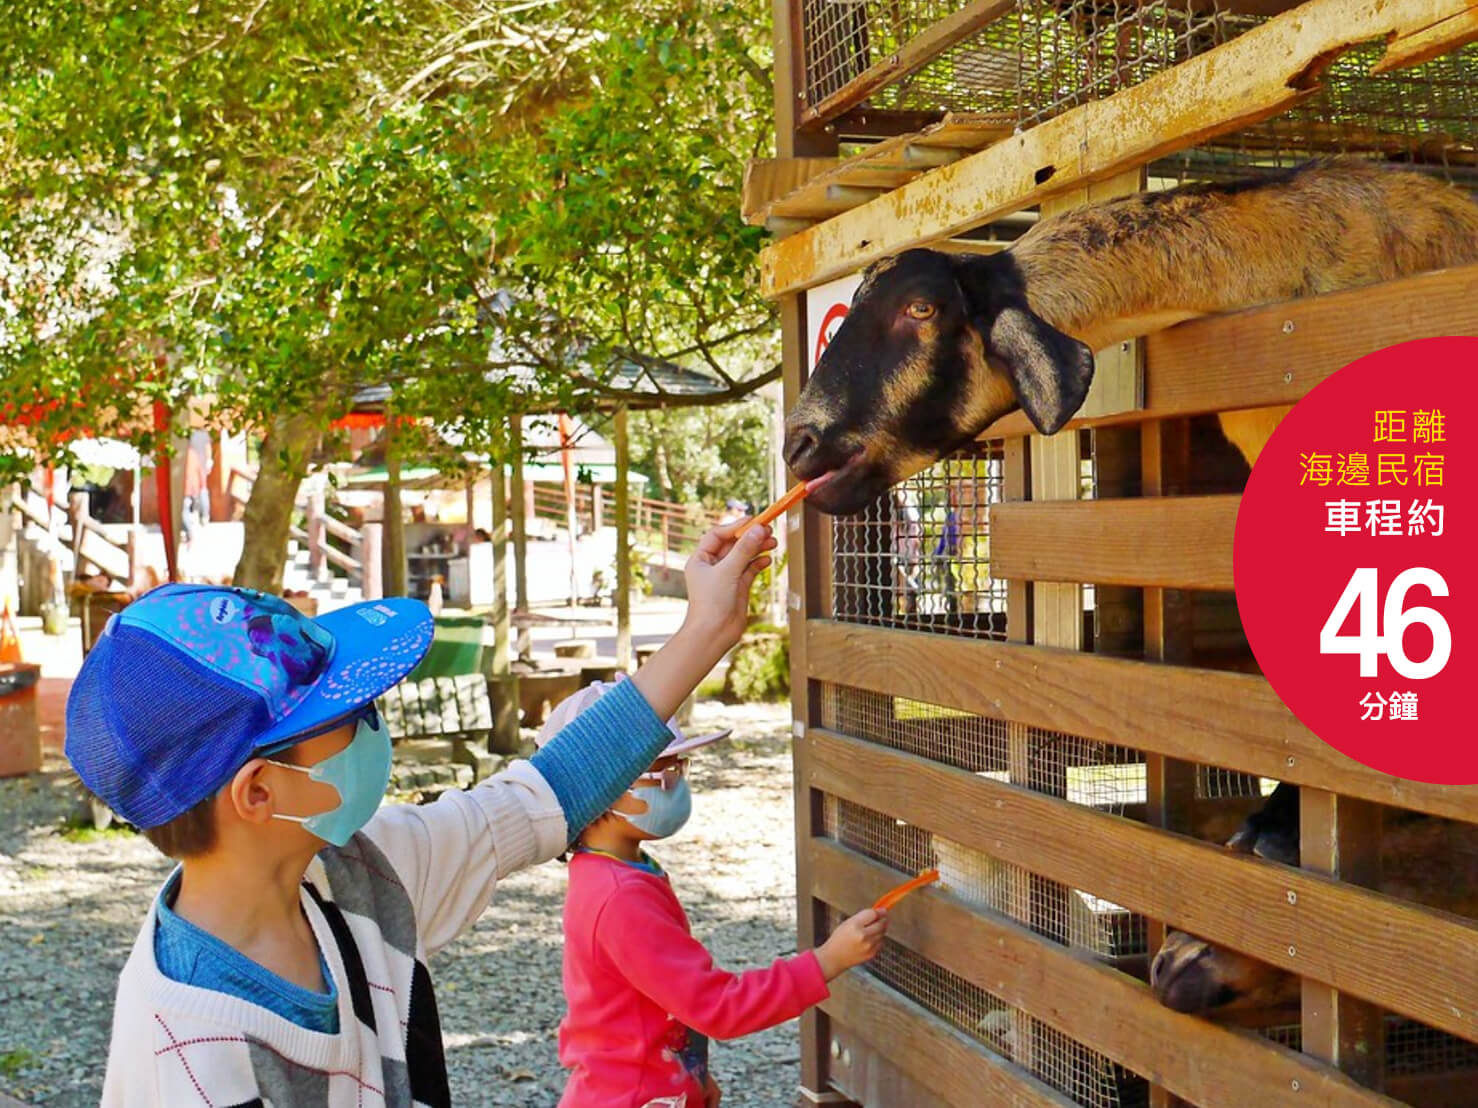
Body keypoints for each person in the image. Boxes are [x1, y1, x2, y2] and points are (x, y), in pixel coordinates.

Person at [68, 519, 777, 1106]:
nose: (375, 730)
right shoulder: (181, 1062)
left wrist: (706, 630)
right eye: (348, 715)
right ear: (259, 792)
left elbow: (544, 793)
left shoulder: (359, 875)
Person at [543, 682, 888, 1108]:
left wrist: (690, 1076)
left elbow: (657, 1000)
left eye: (679, 767)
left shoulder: (614, 869)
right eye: (662, 771)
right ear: (598, 787)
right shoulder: (620, 898)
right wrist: (828, 960)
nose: (676, 784)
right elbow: (717, 1006)